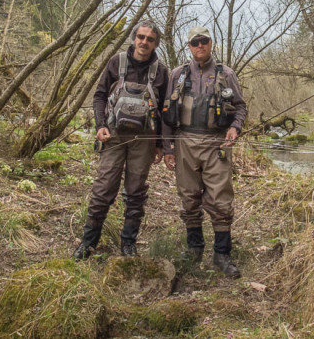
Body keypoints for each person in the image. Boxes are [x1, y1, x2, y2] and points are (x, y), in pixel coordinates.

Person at [73, 20, 169, 259]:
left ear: (156, 43)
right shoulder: (117, 62)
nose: (144, 42)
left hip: (144, 139)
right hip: (114, 136)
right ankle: (88, 242)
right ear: (133, 38)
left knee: (136, 192)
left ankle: (128, 244)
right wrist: (100, 126)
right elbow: (99, 96)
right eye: (141, 37)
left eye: (149, 39)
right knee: (103, 189)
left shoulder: (161, 71)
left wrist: (160, 144)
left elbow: (166, 112)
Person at [162, 26, 247, 278]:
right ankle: (194, 248)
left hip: (216, 143)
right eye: (194, 42)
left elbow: (241, 107)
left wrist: (235, 128)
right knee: (188, 196)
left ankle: (222, 254)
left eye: (204, 41)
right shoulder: (178, 75)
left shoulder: (226, 74)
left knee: (221, 198)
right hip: (184, 142)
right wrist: (168, 147)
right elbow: (166, 114)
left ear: (211, 43)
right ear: (188, 46)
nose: (200, 45)